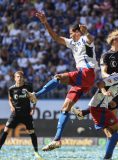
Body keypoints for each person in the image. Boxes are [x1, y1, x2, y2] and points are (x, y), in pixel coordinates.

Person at [26, 11, 98, 151]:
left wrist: (86, 32)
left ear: (77, 32)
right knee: (65, 108)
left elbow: (91, 39)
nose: (70, 35)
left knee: (58, 77)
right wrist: (45, 23)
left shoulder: (84, 39)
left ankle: (36, 96)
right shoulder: (72, 43)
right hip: (83, 81)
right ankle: (57, 140)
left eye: (72, 32)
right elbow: (56, 38)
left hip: (87, 73)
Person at [72, 29, 118, 156]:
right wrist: (112, 78)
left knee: (112, 118)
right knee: (109, 127)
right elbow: (103, 72)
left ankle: (83, 113)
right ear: (115, 41)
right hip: (109, 86)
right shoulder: (106, 55)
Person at [0, 71, 43, 159]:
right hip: (15, 114)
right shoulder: (11, 89)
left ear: (23, 78)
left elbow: (34, 98)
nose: (19, 78)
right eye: (18, 77)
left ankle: (36, 152)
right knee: (6, 130)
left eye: (21, 77)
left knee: (32, 132)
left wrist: (33, 108)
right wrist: (11, 106)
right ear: (15, 78)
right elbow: (10, 99)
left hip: (26, 114)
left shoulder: (28, 87)